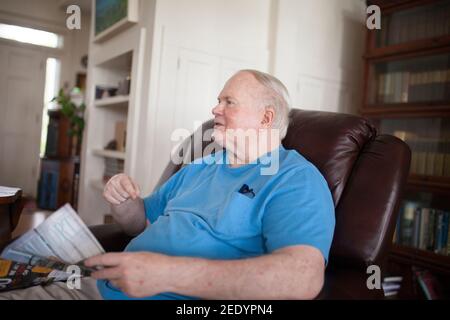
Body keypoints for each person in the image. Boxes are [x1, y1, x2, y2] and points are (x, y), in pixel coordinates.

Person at [0, 70, 335, 300]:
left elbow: (302, 276)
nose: (214, 108)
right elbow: (140, 223)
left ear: (265, 118)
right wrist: (125, 202)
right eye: (218, 100)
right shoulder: (199, 167)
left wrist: (167, 274)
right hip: (98, 284)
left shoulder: (294, 180)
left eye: (228, 102)